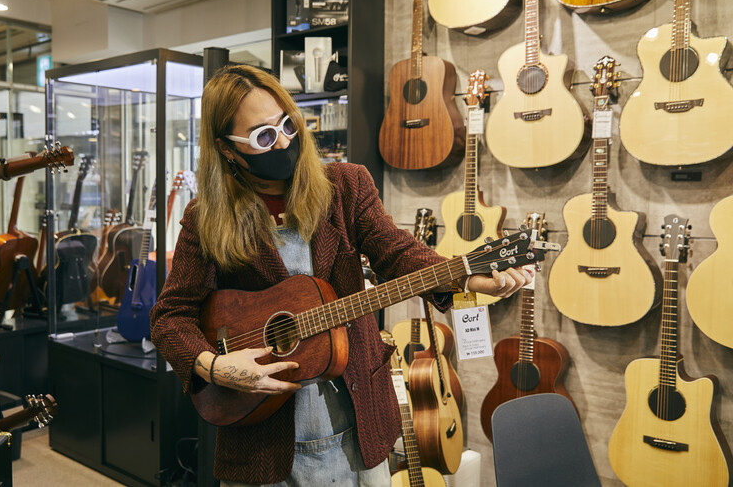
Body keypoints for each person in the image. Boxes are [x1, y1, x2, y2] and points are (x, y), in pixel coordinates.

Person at [150, 65, 533, 486]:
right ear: (227, 149)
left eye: (287, 125)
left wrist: (465, 277)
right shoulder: (206, 218)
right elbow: (171, 317)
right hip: (261, 435)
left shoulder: (346, 186)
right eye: (263, 137)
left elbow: (398, 252)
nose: (283, 141)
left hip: (358, 420)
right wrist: (215, 366)